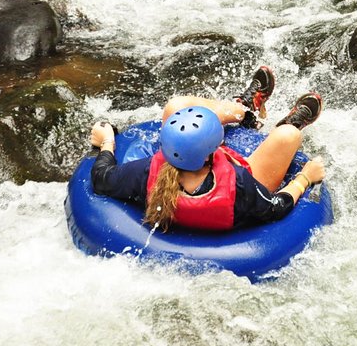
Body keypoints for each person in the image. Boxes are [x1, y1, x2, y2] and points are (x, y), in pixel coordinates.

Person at [89, 66, 326, 231]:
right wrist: (305, 178)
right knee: (288, 136)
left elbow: (101, 179)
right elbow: (276, 207)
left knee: (176, 106)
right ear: (217, 150)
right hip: (240, 186)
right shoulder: (239, 182)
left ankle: (245, 109)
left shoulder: (145, 173)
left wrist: (107, 141)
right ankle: (288, 123)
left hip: (191, 170)